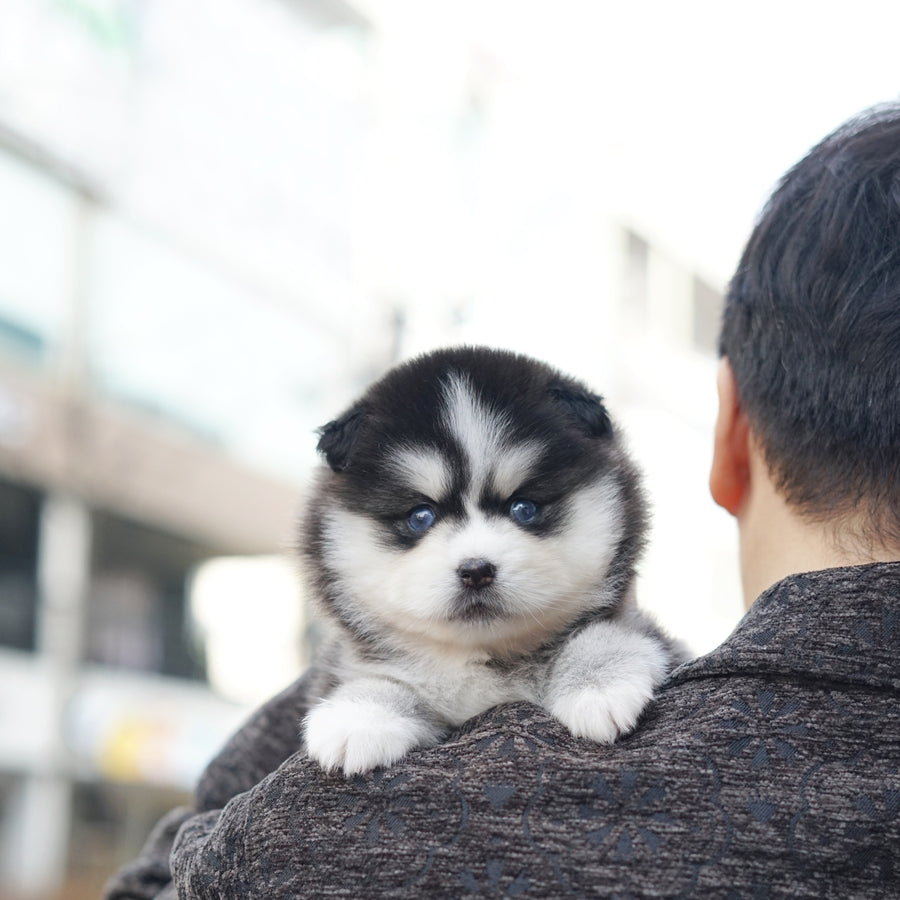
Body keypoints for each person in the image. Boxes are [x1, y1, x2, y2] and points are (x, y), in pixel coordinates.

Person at [105, 103, 900, 899]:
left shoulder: (299, 842)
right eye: (418, 520)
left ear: (731, 430)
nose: (474, 554)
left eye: (526, 509)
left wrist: (234, 791)